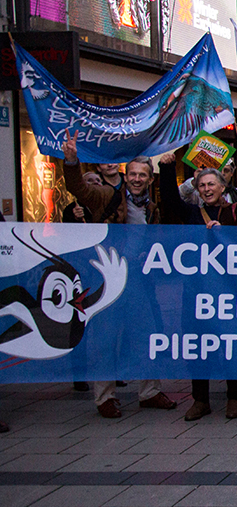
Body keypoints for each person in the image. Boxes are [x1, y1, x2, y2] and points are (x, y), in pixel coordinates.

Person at [62, 131, 178, 417]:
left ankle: (149, 391)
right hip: (107, 279)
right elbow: (80, 189)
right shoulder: (107, 198)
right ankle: (105, 397)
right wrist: (71, 160)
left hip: (138, 281)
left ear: (150, 180)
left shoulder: (151, 209)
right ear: (126, 177)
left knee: (146, 334)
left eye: (143, 175)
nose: (137, 179)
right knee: (105, 338)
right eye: (133, 174)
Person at [159, 154, 237, 420]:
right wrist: (166, 168)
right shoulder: (191, 213)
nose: (208, 189)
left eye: (212, 184)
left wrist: (226, 233)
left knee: (230, 344)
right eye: (202, 186)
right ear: (197, 189)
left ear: (223, 187)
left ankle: (234, 398)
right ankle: (200, 400)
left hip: (226, 292)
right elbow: (168, 201)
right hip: (195, 292)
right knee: (196, 347)